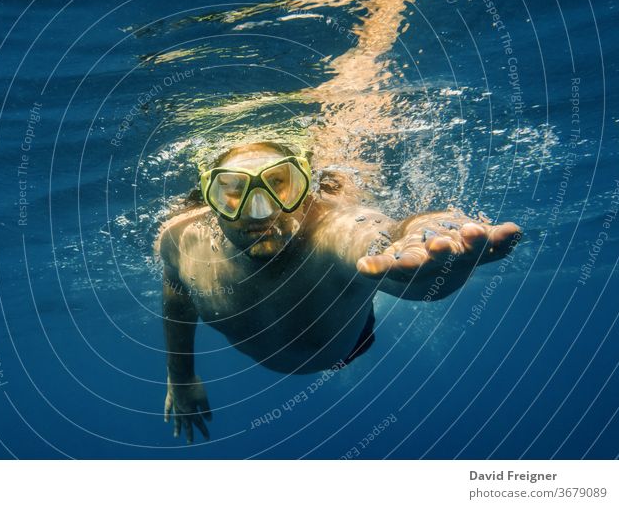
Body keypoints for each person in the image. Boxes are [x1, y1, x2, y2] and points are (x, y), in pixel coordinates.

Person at [154, 141, 522, 444]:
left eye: (280, 184)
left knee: (365, 281)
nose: (260, 210)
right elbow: (177, 298)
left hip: (351, 340)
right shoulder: (179, 240)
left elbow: (377, 238)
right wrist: (180, 376)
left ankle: (359, 295)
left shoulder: (331, 229)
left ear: (306, 190)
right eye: (233, 191)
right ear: (209, 197)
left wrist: (427, 240)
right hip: (322, 334)